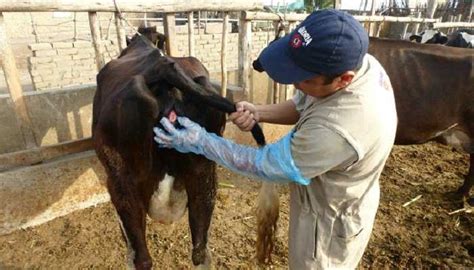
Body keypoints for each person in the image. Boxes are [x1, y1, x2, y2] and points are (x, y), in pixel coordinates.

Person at [153, 9, 397, 270]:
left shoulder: (341, 129)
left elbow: (265, 165)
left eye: (300, 78)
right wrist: (260, 111)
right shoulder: (359, 64)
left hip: (328, 224)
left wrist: (201, 141)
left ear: (343, 80)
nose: (294, 84)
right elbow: (308, 103)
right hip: (328, 191)